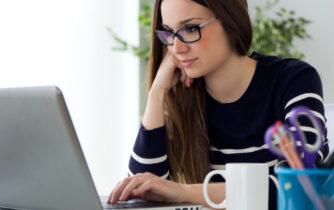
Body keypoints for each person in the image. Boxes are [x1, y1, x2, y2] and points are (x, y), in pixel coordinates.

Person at [107, 0, 329, 209]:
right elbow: (143, 193)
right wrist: (157, 93)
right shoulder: (184, 97)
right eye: (169, 33)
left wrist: (183, 192)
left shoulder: (294, 80)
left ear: (230, 20)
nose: (177, 48)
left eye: (191, 29)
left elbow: (298, 189)